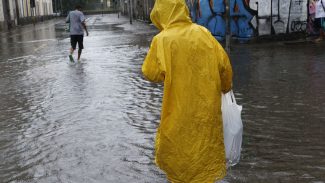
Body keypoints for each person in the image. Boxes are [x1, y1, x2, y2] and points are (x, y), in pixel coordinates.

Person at [141, 0, 233, 182]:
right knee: (205, 153)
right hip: (206, 113)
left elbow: (150, 73)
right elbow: (224, 66)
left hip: (178, 113)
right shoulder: (204, 33)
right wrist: (225, 87)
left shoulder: (161, 40)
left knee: (178, 157)